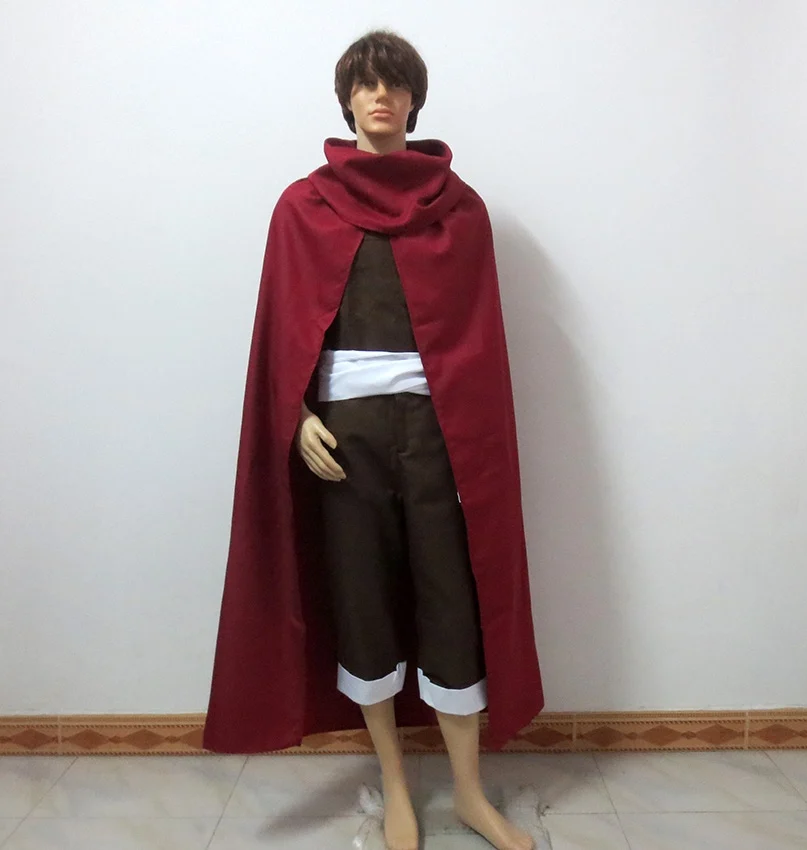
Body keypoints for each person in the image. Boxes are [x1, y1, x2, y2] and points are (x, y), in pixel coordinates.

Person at [203, 28, 544, 850]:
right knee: (362, 603)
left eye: (394, 82)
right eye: (365, 83)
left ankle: (469, 793)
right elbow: (284, 334)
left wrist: (469, 441)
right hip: (344, 442)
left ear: (415, 99)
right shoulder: (303, 207)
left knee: (452, 603)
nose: (380, 95)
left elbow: (477, 346)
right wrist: (297, 417)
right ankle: (394, 785)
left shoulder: (459, 211)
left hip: (440, 436)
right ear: (346, 99)